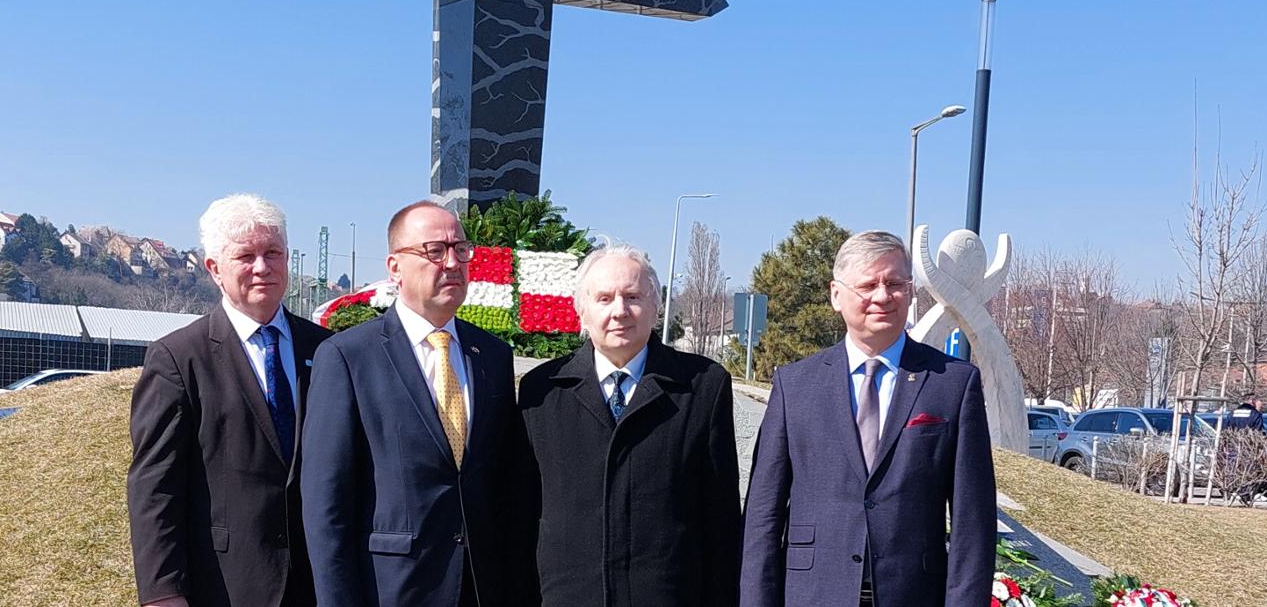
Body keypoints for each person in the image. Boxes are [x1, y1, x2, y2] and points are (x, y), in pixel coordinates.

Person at [741, 230, 995, 607]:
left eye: (894, 283)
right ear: (835, 295)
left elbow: (973, 524)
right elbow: (762, 517)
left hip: (913, 594)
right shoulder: (794, 386)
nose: (882, 296)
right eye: (868, 285)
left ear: (909, 292)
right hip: (812, 595)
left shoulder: (953, 384)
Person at [302, 201, 529, 607]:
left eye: (461, 249)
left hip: (481, 587)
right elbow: (326, 504)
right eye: (434, 251)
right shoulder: (348, 356)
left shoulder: (492, 355)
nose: (453, 262)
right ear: (394, 267)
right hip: (391, 588)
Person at [128, 194, 330, 607]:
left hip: (319, 583)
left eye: (273, 253)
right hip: (225, 584)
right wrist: (163, 592)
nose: (262, 267)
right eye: (246, 256)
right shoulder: (179, 357)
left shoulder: (326, 350)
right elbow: (155, 485)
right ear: (215, 269)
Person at [516, 245, 742, 607]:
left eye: (633, 296)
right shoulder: (541, 391)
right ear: (582, 311)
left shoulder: (703, 386)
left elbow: (721, 519)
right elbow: (521, 516)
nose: (619, 311)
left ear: (656, 306)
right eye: (604, 298)